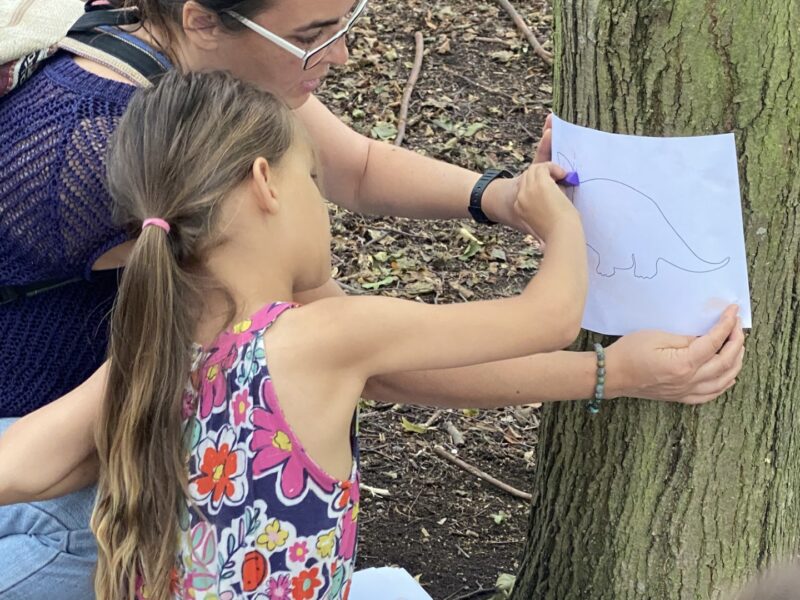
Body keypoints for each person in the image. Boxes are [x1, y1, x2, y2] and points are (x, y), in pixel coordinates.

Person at [0, 0, 744, 597]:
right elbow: (546, 318)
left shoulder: (147, 344)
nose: (343, 54)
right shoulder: (326, 336)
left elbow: (21, 463)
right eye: (310, 183)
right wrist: (561, 223)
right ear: (264, 185)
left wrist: (501, 198)